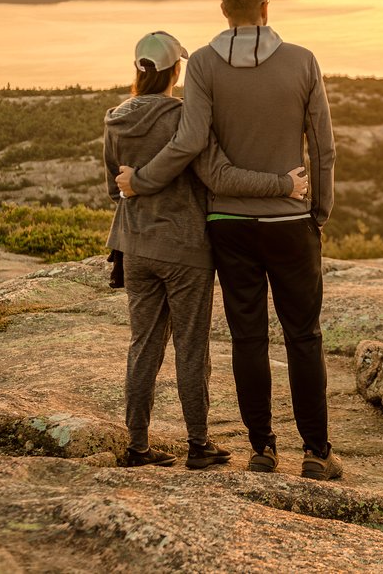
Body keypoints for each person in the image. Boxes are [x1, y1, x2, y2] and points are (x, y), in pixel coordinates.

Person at [116, 0, 340, 481]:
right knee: (303, 337)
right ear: (266, 6)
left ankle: (262, 449)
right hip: (291, 221)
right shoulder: (303, 62)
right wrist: (317, 213)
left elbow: (190, 143)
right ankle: (316, 452)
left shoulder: (204, 67)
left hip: (228, 224)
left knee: (248, 339)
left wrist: (141, 181)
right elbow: (323, 150)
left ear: (223, 10)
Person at [104, 29, 308, 470]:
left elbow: (114, 188)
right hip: (185, 250)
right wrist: (283, 186)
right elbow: (217, 175)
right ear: (176, 71)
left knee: (143, 346)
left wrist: (138, 185)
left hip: (135, 247)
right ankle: (198, 444)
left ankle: (137, 445)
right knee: (191, 349)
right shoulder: (184, 118)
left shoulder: (115, 118)